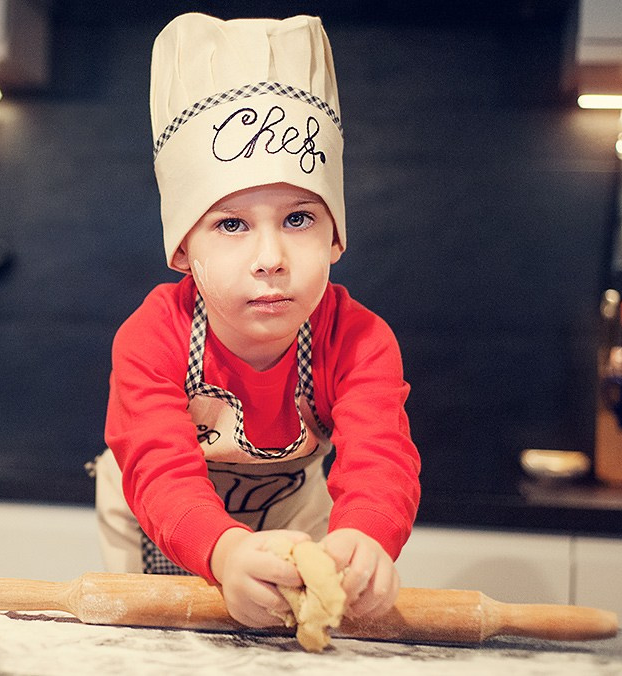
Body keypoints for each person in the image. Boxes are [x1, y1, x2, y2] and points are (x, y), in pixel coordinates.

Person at [93, 12, 420, 628]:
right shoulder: (151, 337)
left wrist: (368, 538)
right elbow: (161, 469)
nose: (270, 259)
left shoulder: (359, 339)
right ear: (184, 249)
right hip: (161, 521)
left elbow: (381, 458)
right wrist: (225, 550)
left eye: (298, 220)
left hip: (297, 517)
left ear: (335, 239)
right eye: (232, 224)